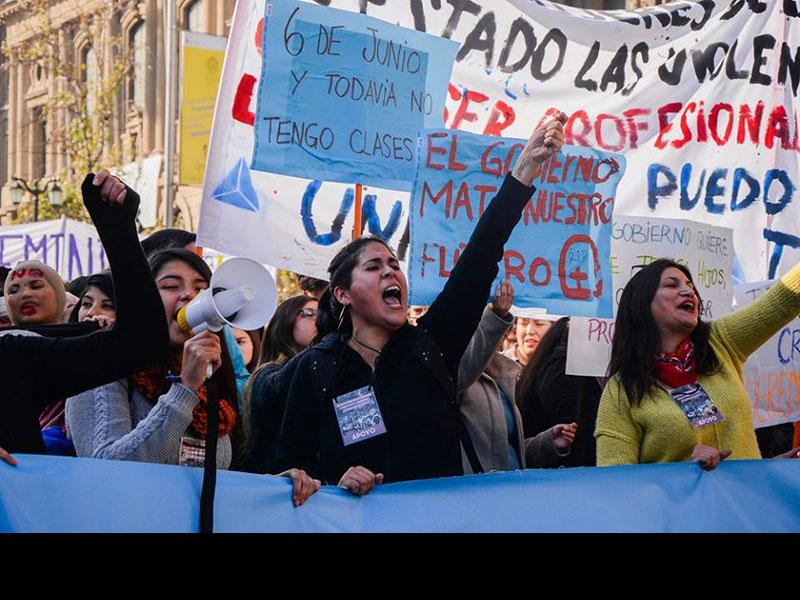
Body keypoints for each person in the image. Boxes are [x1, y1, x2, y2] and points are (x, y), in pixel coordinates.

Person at [271, 113, 567, 495]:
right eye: (374, 267)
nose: (391, 273)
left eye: (394, 265)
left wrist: (524, 169)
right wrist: (332, 482)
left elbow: (479, 257)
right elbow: (291, 462)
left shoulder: (430, 346)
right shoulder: (318, 366)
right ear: (343, 294)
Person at [0, 170, 169, 456]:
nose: (26, 294)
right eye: (14, 289)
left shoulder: (11, 356)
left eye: (37, 285)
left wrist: (118, 230)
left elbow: (141, 343)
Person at [595, 258, 800, 470]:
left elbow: (785, 299)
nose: (688, 291)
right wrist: (687, 472)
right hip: (681, 504)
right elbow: (617, 485)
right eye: (672, 285)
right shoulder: (621, 392)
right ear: (642, 302)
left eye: (690, 285)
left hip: (746, 501)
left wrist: (767, 467)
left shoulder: (720, 341)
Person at [458, 281, 575, 472]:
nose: (529, 331)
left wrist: (547, 442)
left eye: (539, 324)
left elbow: (505, 453)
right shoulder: (457, 378)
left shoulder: (501, 376)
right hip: (477, 495)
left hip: (510, 492)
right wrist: (496, 316)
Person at [241, 295, 318, 473]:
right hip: (274, 483)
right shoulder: (266, 373)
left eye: (321, 314)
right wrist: (322, 346)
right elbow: (278, 389)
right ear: (285, 322)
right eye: (309, 313)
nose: (319, 320)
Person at [516, 317, 602, 467]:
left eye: (539, 324)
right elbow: (571, 429)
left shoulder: (550, 362)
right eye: (524, 323)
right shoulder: (562, 364)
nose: (530, 331)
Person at [4, 260, 66, 326]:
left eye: (36, 286)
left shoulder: (76, 333)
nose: (25, 294)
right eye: (14, 290)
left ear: (58, 295)